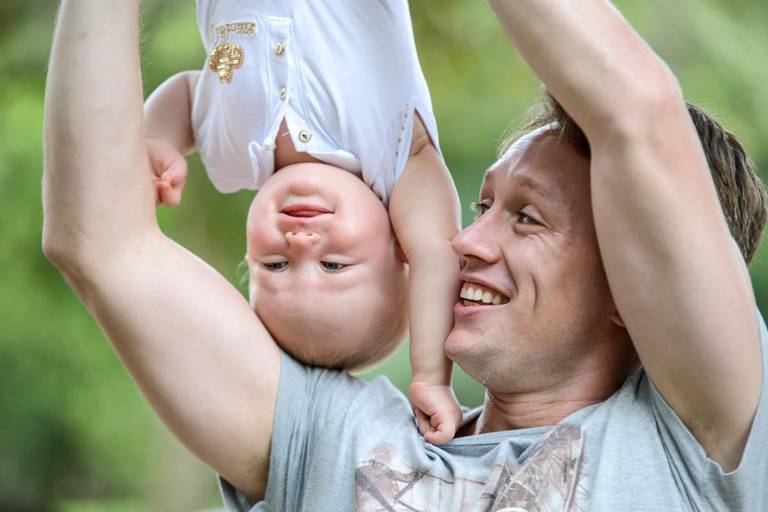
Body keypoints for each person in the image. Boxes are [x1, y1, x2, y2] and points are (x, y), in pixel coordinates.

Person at [43, 1, 768, 511]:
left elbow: (637, 113)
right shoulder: (327, 437)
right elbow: (100, 241)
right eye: (483, 207)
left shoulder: (708, 443)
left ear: (633, 289)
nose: (467, 241)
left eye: (529, 219)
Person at [142, 0, 463, 441]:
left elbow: (189, 93)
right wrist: (430, 377)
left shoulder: (229, 154)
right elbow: (438, 253)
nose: (300, 243)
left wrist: (157, 139)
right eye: (334, 266)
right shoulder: (399, 157)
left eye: (275, 266)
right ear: (400, 248)